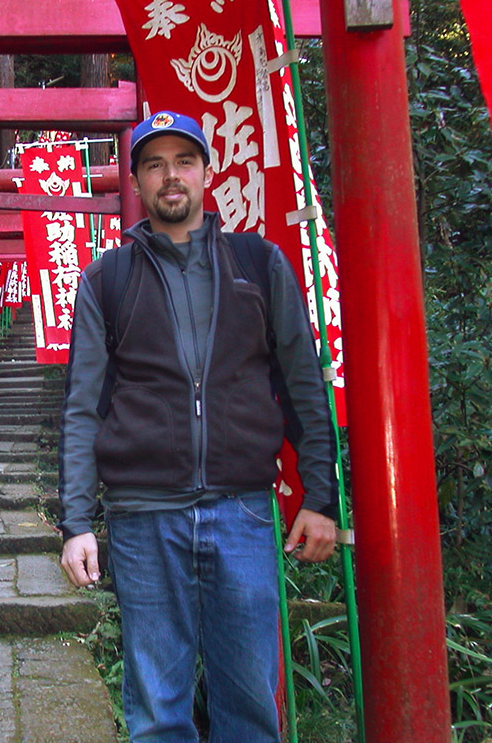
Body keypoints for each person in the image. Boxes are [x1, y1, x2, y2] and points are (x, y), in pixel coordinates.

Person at [58, 110, 339, 743]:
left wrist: (321, 499)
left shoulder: (257, 264)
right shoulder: (108, 279)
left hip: (240, 510)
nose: (170, 176)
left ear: (207, 173)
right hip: (142, 517)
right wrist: (76, 521)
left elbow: (302, 385)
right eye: (154, 164)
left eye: (183, 161)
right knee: (158, 709)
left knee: (249, 699)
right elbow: (82, 407)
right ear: (137, 181)